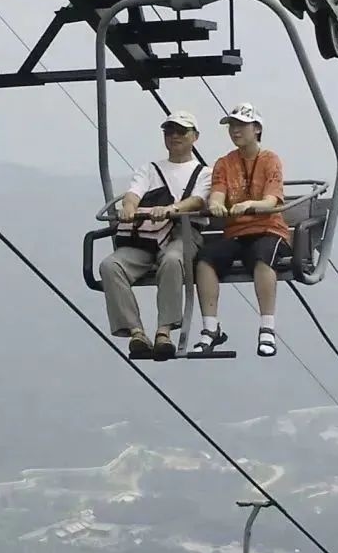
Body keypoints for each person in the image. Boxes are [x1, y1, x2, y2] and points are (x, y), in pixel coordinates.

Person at [99, 110, 213, 361]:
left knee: (173, 259)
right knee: (110, 265)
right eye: (169, 131)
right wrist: (129, 208)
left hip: (183, 232)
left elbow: (196, 200)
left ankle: (164, 331)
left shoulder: (204, 173)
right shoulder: (149, 169)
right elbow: (134, 193)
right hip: (148, 237)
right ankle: (136, 331)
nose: (174, 136)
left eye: (181, 131)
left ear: (195, 136)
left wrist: (172, 210)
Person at [193, 103, 288, 359]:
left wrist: (250, 205)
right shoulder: (224, 163)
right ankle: (210, 328)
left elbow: (271, 201)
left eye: (241, 126)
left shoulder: (270, 160)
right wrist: (215, 205)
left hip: (268, 228)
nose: (235, 131)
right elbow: (218, 193)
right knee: (205, 259)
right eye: (232, 126)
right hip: (236, 233)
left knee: (263, 256)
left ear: (256, 129)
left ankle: (267, 326)